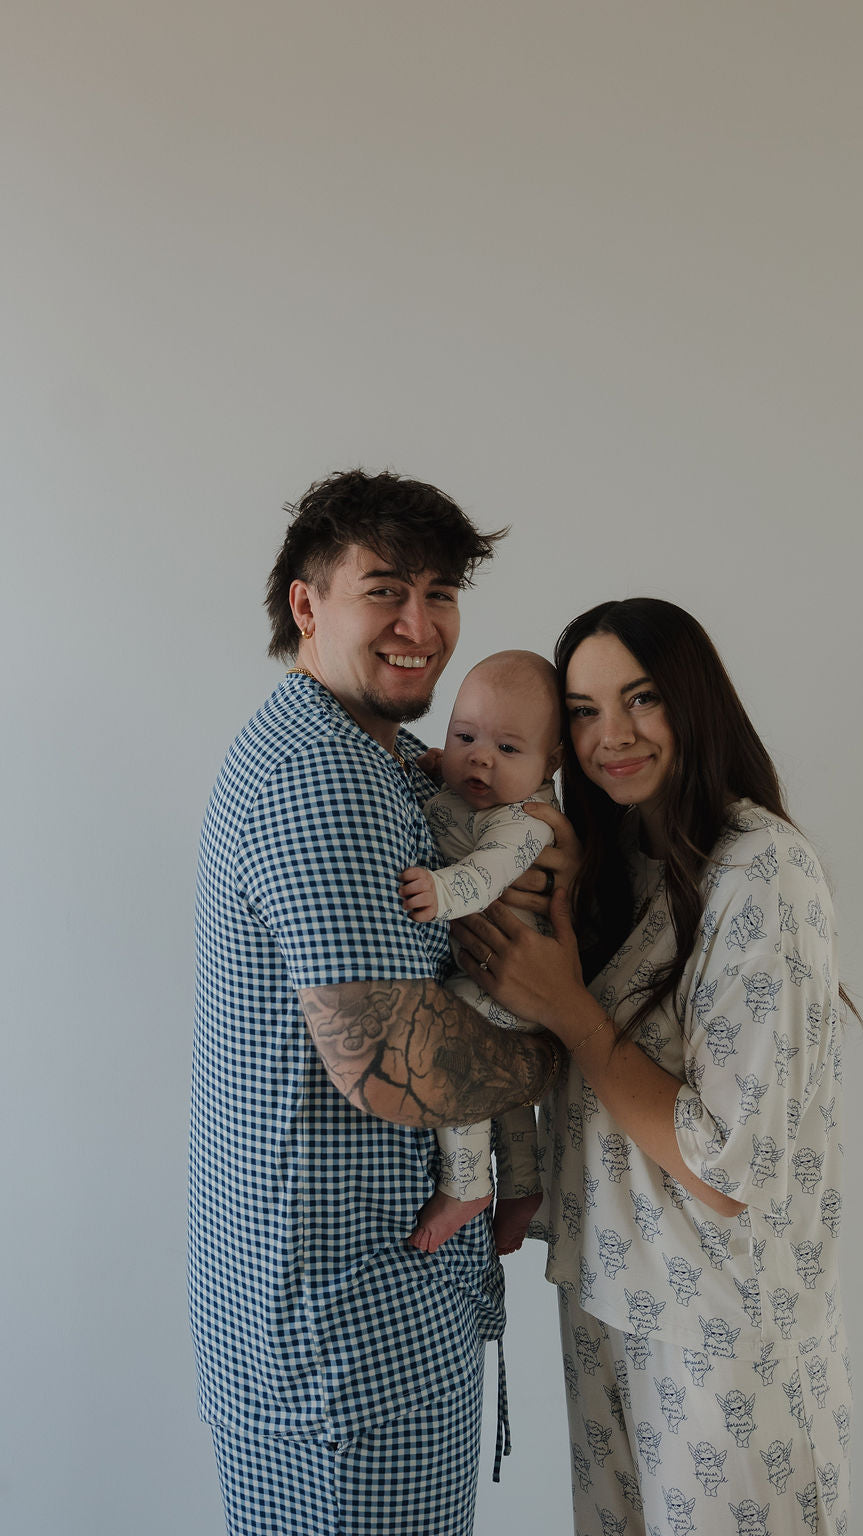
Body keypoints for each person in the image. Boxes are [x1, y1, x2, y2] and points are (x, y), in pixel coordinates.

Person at [189, 469, 562, 1536]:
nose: (420, 624)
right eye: (385, 590)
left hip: (337, 1315)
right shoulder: (329, 780)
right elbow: (395, 1069)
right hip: (352, 1337)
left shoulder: (390, 761)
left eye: (440, 593)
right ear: (307, 606)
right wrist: (564, 1035)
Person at [452, 598, 854, 1536]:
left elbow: (727, 1169)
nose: (613, 736)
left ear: (695, 701)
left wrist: (567, 1007)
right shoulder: (615, 863)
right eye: (585, 712)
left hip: (723, 1333)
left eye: (642, 699)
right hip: (607, 1297)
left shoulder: (762, 874)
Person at [398, 650, 563, 1256]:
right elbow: (460, 775)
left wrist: (441, 891)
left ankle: (467, 1182)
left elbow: (489, 875)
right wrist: (447, 763)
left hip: (519, 991)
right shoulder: (471, 785)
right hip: (494, 978)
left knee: (455, 1041)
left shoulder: (526, 821)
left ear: (551, 764)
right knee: (503, 1087)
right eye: (465, 735)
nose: (481, 757)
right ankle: (522, 1184)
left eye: (508, 750)